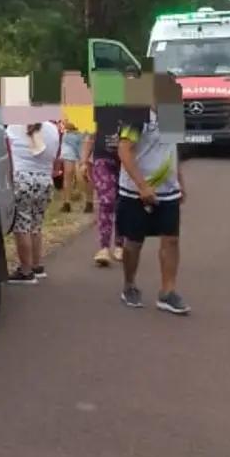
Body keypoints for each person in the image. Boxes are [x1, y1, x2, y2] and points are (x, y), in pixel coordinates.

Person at [116, 108, 190, 314]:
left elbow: (172, 150)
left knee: (171, 239)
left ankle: (168, 292)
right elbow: (124, 149)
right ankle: (129, 285)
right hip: (136, 191)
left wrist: (180, 181)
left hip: (168, 190)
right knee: (133, 242)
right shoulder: (137, 114)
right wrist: (141, 186)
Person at [5, 121, 61, 284]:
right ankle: (37, 265)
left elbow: (7, 151)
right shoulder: (53, 129)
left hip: (23, 178)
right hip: (44, 179)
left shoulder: (15, 127)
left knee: (22, 225)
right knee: (36, 224)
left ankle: (25, 270)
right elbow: (55, 156)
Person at [82, 107, 127, 267]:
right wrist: (84, 161)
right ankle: (104, 247)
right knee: (106, 201)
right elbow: (91, 136)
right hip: (103, 159)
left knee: (123, 203)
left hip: (126, 162)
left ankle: (120, 244)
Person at [57, 120, 93, 214]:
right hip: (69, 139)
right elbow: (66, 124)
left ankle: (89, 201)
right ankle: (66, 203)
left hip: (84, 137)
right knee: (68, 172)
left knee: (84, 172)